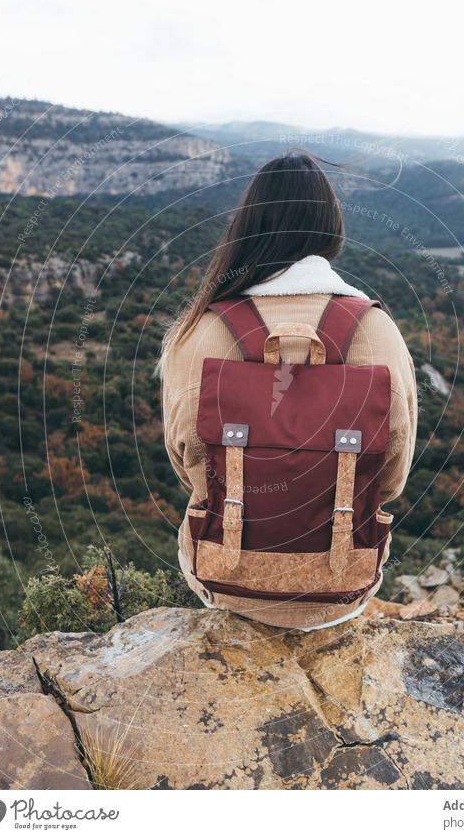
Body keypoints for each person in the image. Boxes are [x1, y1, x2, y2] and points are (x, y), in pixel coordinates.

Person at [159, 152, 417, 630]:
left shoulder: (198, 332)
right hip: (343, 583)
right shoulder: (377, 329)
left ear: (248, 224)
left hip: (225, 577)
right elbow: (392, 477)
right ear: (329, 224)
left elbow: (186, 459)